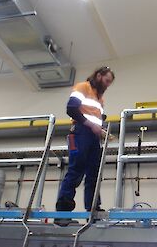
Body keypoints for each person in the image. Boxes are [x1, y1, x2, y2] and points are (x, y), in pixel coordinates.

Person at [55, 66, 114, 226]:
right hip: (80, 133)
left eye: (110, 83)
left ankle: (93, 210)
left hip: (94, 138)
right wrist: (91, 125)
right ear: (99, 75)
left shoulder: (100, 99)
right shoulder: (83, 87)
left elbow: (96, 119)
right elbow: (71, 108)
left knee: (94, 175)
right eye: (107, 81)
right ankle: (62, 213)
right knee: (76, 171)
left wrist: (101, 130)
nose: (107, 85)